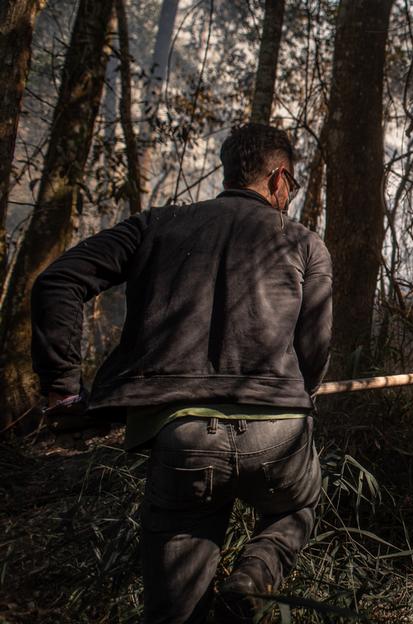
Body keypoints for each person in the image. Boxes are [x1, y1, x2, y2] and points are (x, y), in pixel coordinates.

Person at [30, 123, 333, 624]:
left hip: (183, 440)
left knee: (174, 614)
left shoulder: (155, 225)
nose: (291, 196)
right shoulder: (303, 243)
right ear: (279, 178)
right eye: (293, 186)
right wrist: (302, 393)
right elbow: (315, 351)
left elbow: (58, 282)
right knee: (294, 508)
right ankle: (250, 586)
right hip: (280, 435)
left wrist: (63, 389)